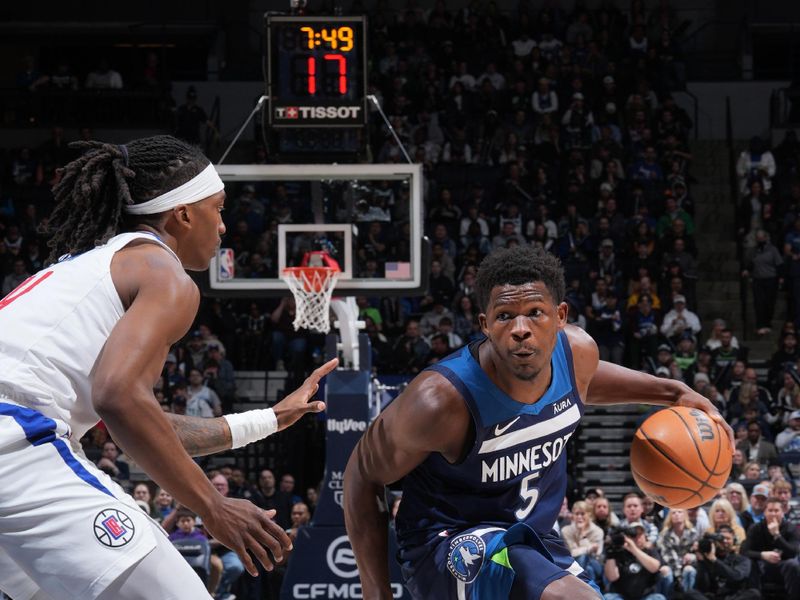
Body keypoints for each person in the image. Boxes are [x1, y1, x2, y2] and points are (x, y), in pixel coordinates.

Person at [0, 135, 338, 600]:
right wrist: (213, 505)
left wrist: (269, 419)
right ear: (182, 213)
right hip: (15, 447)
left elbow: (140, 422)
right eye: (217, 209)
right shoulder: (164, 273)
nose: (223, 227)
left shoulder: (88, 267)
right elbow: (119, 399)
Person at [343, 245, 731, 600]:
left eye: (535, 313)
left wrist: (675, 393)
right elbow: (362, 472)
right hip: (449, 541)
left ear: (560, 316)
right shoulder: (441, 401)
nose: (520, 328)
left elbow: (587, 381)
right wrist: (376, 592)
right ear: (485, 324)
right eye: (505, 316)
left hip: (535, 539)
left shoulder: (578, 355)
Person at [741, 496, 800, 596]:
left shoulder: (791, 528)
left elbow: (793, 552)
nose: (773, 514)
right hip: (762, 566)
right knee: (749, 563)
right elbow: (744, 551)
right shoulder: (755, 528)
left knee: (793, 564)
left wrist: (777, 535)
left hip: (784, 565)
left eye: (776, 510)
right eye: (770, 510)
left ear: (782, 512)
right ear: (764, 512)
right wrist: (763, 555)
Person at [685, 524, 759, 600]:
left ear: (734, 541)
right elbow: (701, 587)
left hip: (733, 596)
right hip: (713, 596)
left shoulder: (742, 559)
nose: (724, 541)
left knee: (754, 593)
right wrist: (701, 561)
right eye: (721, 539)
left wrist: (715, 560)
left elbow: (736, 577)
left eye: (728, 538)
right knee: (690, 593)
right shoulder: (707, 558)